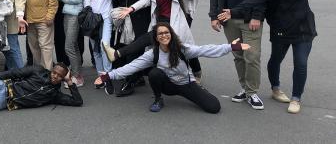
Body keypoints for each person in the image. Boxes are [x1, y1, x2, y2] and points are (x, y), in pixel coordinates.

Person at [217, 0, 332, 114]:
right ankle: (275, 88)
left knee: (301, 63)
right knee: (276, 60)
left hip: (304, 28)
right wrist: (234, 12)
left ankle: (296, 98)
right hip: (282, 29)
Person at [99, 22, 250, 113]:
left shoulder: (182, 49)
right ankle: (158, 99)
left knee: (214, 107)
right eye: (160, 34)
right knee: (154, 73)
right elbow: (132, 67)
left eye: (166, 32)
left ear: (171, 34)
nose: (164, 35)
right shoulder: (153, 54)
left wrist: (230, 47)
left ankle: (198, 91)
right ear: (156, 38)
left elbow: (206, 50)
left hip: (187, 84)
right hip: (168, 86)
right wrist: (109, 75)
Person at [209, 0, 268, 110]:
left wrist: (257, 16)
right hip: (228, 20)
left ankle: (252, 92)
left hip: (250, 20)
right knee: (238, 56)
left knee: (252, 56)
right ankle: (244, 88)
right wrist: (214, 16)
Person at [109, 0, 150, 96]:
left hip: (138, 21)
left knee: (135, 50)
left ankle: (131, 81)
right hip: (124, 21)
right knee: (123, 48)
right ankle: (135, 77)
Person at [47, 0, 86, 87]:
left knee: (69, 47)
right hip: (67, 13)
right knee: (73, 46)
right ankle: (77, 73)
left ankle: (77, 76)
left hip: (74, 14)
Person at [84, 0, 118, 87]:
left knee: (105, 46)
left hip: (106, 18)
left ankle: (107, 75)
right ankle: (100, 75)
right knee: (96, 49)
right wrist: (87, 13)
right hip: (93, 19)